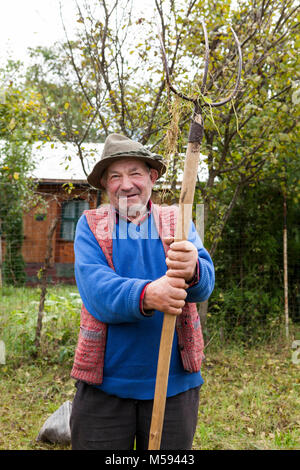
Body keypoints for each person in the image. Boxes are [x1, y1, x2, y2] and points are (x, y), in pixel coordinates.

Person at [70, 133, 215, 450]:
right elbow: (97, 293)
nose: (126, 184)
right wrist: (150, 294)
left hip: (173, 387)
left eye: (134, 172)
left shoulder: (178, 221)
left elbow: (204, 286)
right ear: (105, 185)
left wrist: (193, 268)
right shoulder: (91, 225)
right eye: (115, 176)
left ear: (151, 176)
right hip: (104, 389)